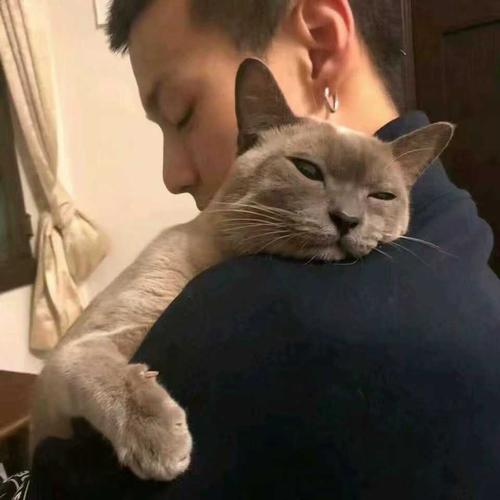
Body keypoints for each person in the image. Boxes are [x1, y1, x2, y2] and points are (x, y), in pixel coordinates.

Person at [24, 0, 500, 498]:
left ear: (319, 45)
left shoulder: (252, 320)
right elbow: (75, 363)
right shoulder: (460, 234)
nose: (172, 176)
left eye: (183, 114)